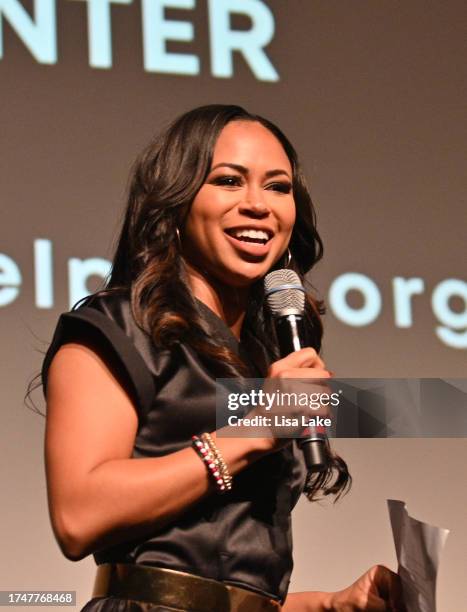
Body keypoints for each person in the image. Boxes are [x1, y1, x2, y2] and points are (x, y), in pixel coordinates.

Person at [42, 105, 405, 611]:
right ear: (176, 202)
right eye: (230, 181)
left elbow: (222, 586)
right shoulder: (118, 328)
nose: (259, 204)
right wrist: (255, 430)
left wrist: (333, 604)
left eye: (278, 187)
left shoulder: (265, 354)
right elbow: (78, 518)